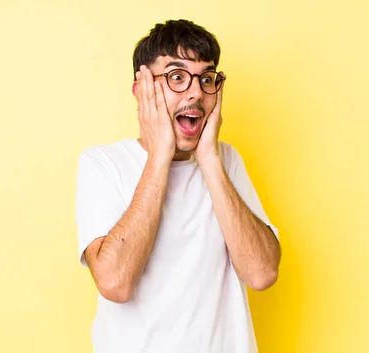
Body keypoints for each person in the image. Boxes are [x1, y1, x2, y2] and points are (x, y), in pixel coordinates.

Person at [75, 19, 281, 353]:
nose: (197, 92)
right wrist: (160, 153)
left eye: (206, 78)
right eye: (176, 77)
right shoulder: (103, 163)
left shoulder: (226, 160)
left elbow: (261, 274)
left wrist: (209, 159)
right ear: (142, 89)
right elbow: (115, 283)